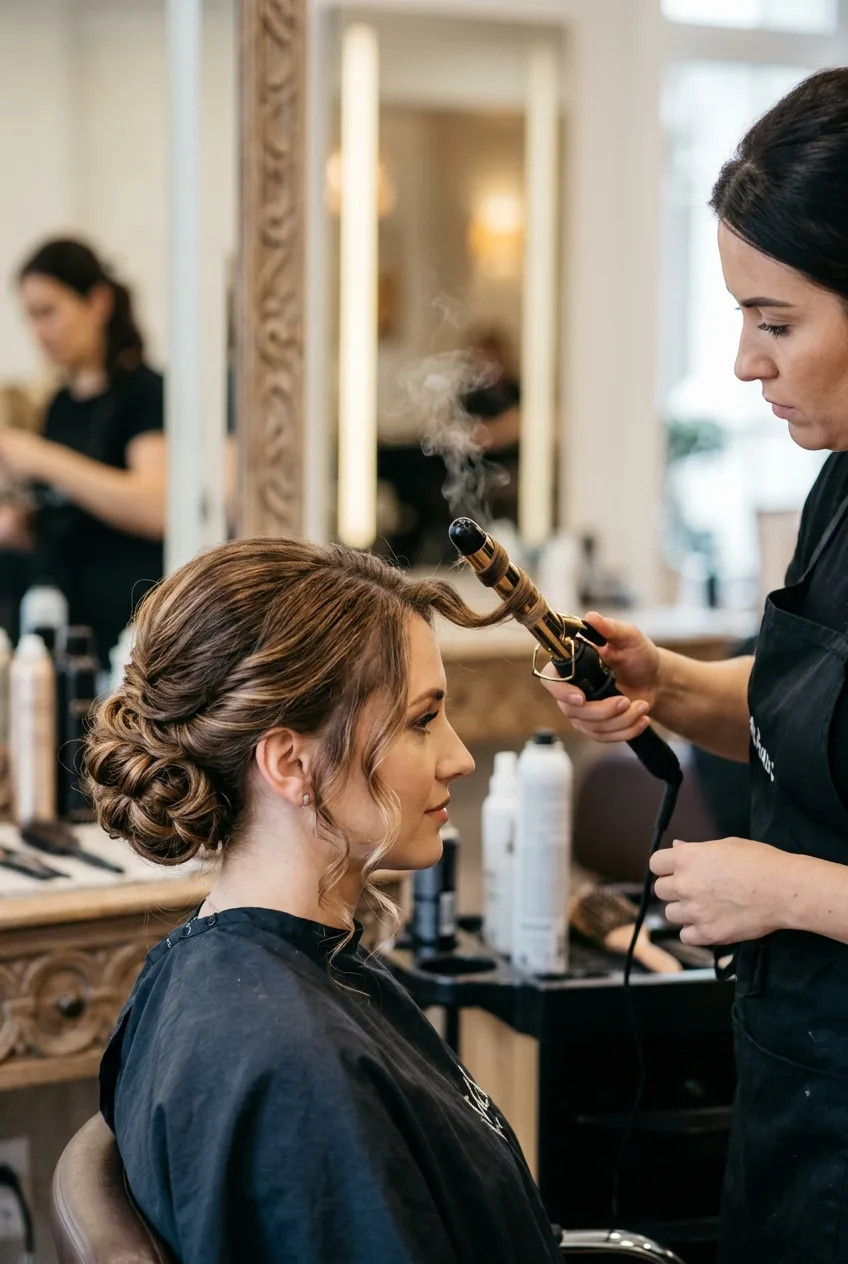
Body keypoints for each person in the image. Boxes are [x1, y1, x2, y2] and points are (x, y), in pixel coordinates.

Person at [543, 68, 848, 1264]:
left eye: (774, 322)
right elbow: (803, 719)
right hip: (800, 1073)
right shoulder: (836, 484)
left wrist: (780, 892)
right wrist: (663, 681)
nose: (742, 364)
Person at [87, 537, 562, 1264]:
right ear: (289, 763)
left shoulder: (228, 972)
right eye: (422, 720)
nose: (459, 757)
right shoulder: (298, 1073)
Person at [0, 238, 165, 659]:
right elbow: (69, 518)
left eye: (48, 312)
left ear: (98, 302)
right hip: (59, 624)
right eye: (29, 318)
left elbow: (155, 507)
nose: (38, 333)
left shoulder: (144, 394)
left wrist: (43, 459)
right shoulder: (60, 406)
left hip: (126, 629)